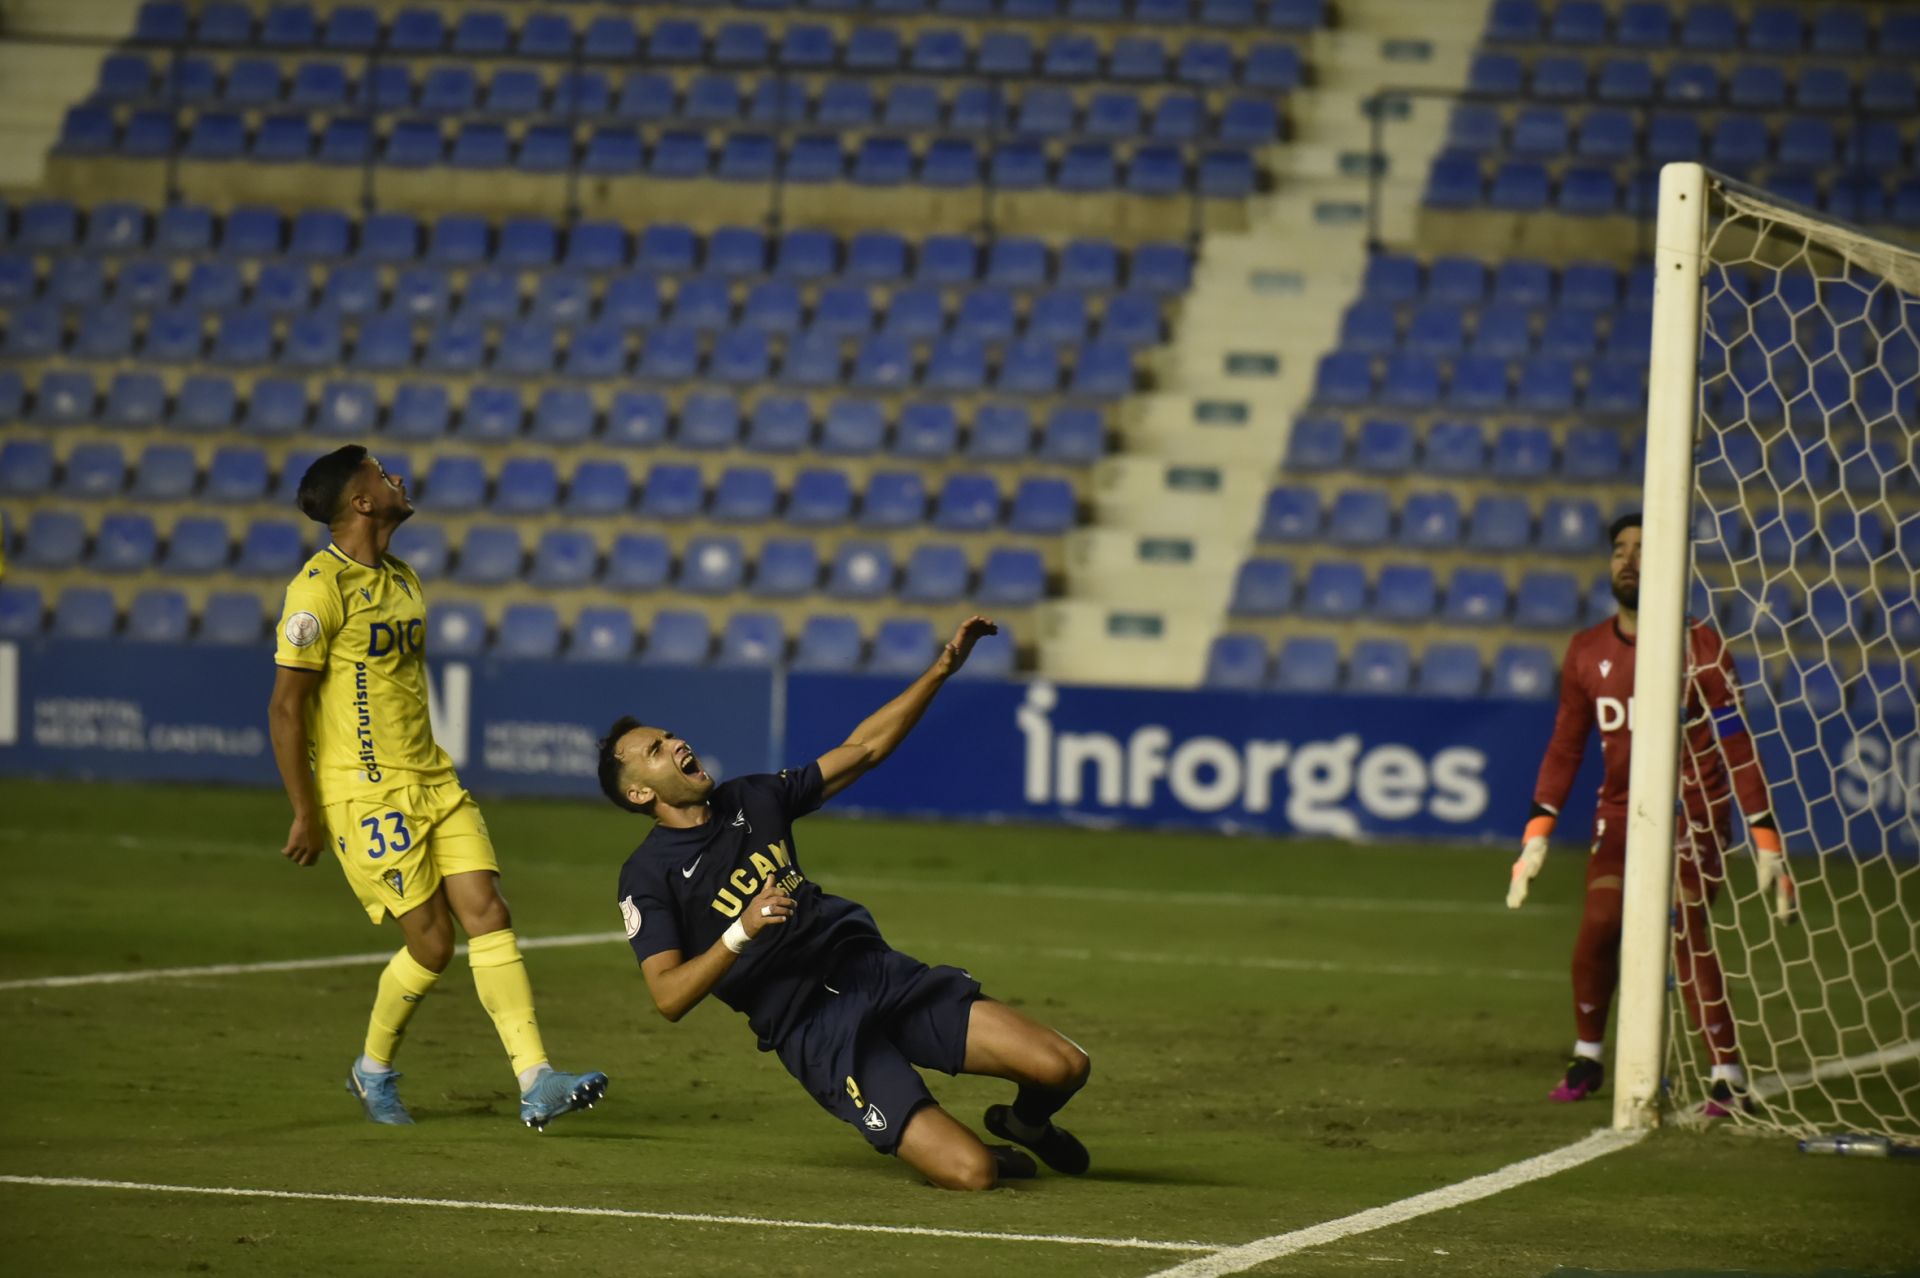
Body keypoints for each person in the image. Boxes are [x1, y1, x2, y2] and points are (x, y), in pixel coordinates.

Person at [597, 615, 1091, 1190]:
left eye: (670, 735)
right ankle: (969, 1147)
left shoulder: (753, 798)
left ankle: (1027, 1124)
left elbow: (864, 749)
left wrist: (941, 668)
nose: (677, 743)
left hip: (874, 972)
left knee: (1064, 1067)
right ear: (640, 793)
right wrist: (741, 931)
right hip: (815, 1027)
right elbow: (667, 996)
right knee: (972, 1172)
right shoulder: (647, 876)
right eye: (656, 749)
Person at [267, 444, 607, 1130]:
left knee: (489, 912)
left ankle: (536, 1081)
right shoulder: (316, 591)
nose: (396, 476)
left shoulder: (402, 578)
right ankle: (372, 1070)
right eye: (379, 472)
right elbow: (285, 707)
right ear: (360, 501)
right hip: (365, 796)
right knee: (431, 947)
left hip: (435, 780)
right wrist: (305, 810)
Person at [1508, 512, 1796, 1117]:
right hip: (1620, 816)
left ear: (1669, 563)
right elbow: (1566, 746)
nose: (1629, 560)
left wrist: (1765, 837)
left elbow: (1737, 744)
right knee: (1599, 924)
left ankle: (1727, 1073)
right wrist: (1537, 835)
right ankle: (1588, 1056)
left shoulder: (1704, 648)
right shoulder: (1587, 650)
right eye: (1619, 549)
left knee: (1682, 926)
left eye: (1643, 549)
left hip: (1696, 812)